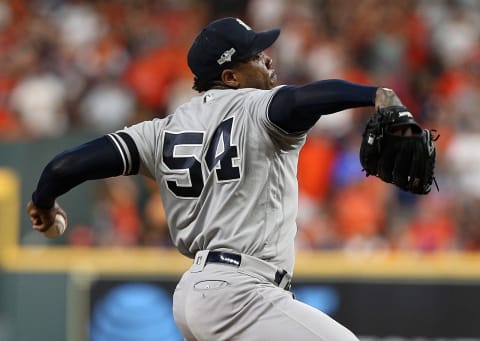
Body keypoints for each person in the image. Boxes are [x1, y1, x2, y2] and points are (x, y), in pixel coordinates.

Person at [27, 17, 407, 340]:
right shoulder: (257, 108)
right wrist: (375, 94)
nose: (268, 60)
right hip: (243, 294)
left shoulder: (159, 131)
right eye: (256, 56)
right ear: (231, 76)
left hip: (194, 293)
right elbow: (301, 99)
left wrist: (44, 203)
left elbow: (66, 166)